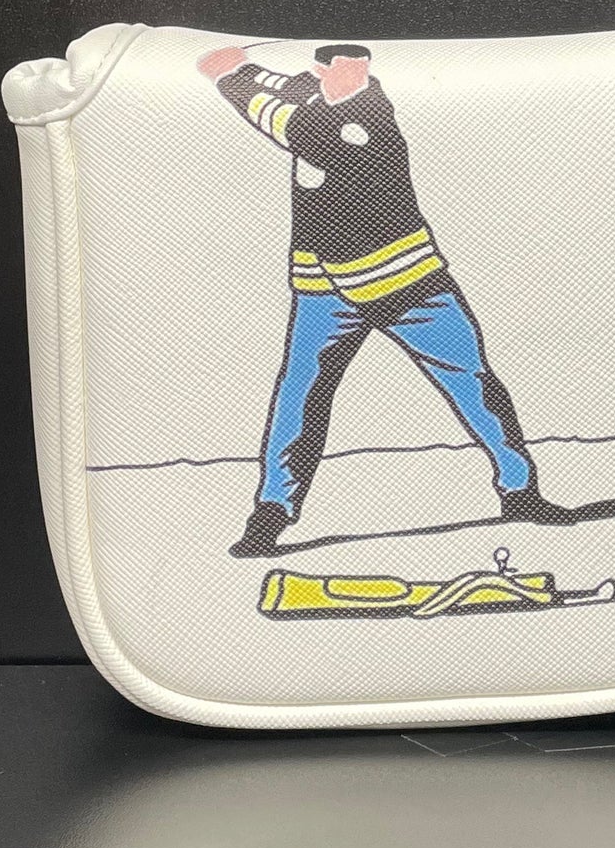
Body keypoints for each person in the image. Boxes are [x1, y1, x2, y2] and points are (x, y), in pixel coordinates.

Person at [197, 40, 576, 557]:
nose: (356, 78)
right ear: (322, 72)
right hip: (324, 287)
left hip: (406, 285)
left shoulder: (364, 119)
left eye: (360, 71)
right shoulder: (314, 92)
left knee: (471, 381)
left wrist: (227, 79)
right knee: (299, 394)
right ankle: (272, 511)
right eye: (344, 71)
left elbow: (283, 123)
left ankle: (520, 490)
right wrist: (245, 67)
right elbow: (284, 86)